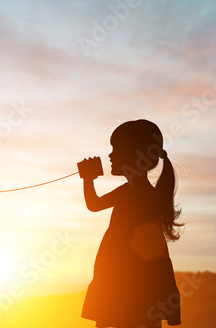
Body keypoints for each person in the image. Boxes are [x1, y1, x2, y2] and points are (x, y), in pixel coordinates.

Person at [78, 119, 183, 328]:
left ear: (134, 156)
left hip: (123, 278)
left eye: (116, 149)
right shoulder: (145, 193)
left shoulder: (130, 193)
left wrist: (88, 178)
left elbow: (93, 204)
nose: (110, 155)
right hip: (137, 280)